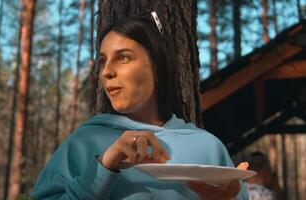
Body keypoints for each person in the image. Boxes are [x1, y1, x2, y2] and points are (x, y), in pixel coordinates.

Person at [31, 10, 249, 200]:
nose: (106, 72)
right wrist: (104, 166)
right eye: (102, 61)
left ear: (157, 67)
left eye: (123, 58)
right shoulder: (83, 142)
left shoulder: (209, 147)